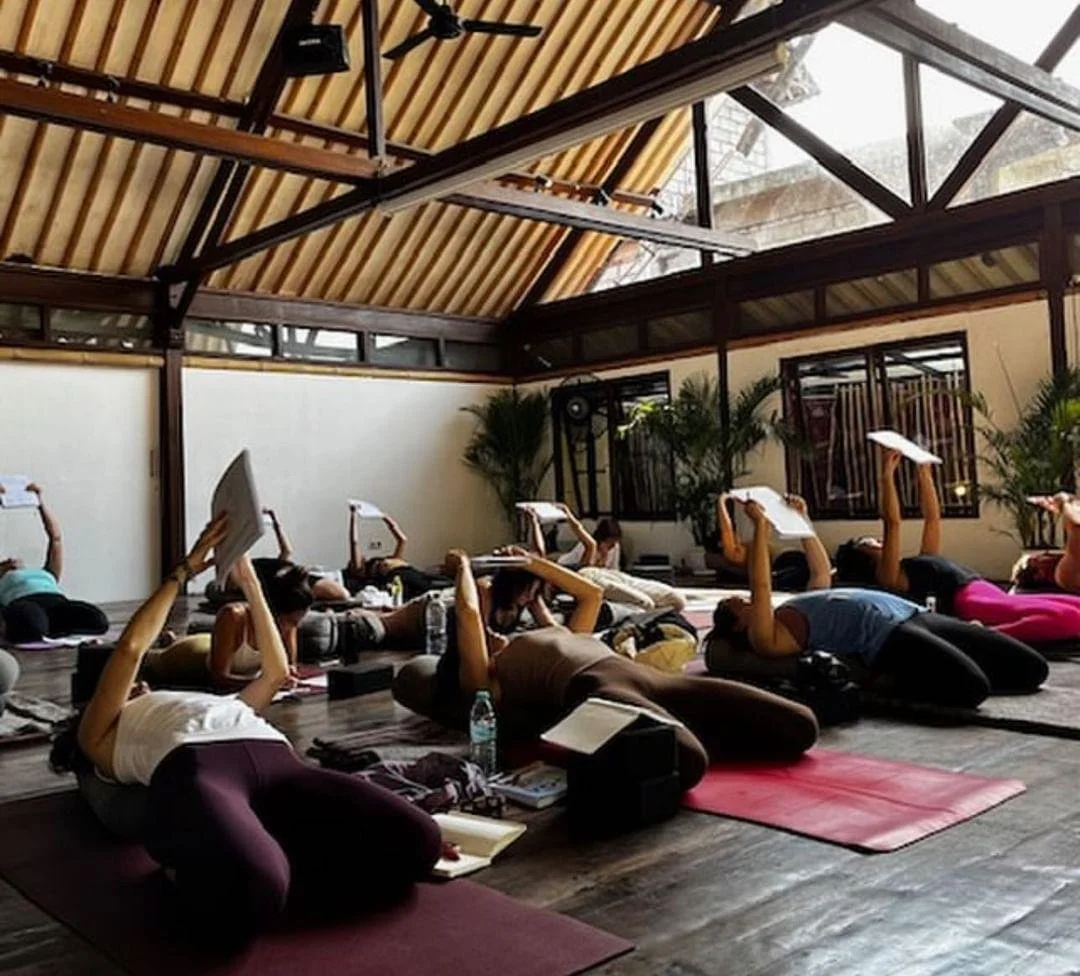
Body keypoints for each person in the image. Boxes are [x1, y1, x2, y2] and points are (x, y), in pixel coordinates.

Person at [50, 521, 441, 938]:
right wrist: (183, 571)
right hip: (200, 772)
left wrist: (250, 578)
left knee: (423, 841)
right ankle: (199, 862)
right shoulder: (100, 734)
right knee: (260, 893)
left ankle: (282, 847)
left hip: (279, 760)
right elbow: (130, 649)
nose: (140, 686)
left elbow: (275, 673)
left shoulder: (221, 704)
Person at [447, 548, 819, 789]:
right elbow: (467, 611)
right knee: (691, 762)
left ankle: (682, 726)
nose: (493, 634)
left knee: (802, 725)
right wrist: (463, 567)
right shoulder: (485, 680)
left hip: (644, 676)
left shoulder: (558, 633)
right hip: (596, 690)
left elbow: (589, 594)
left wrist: (531, 562)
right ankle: (672, 732)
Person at [711, 500, 1048, 708]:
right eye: (738, 603)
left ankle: (952, 659)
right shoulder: (766, 638)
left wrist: (802, 520)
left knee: (1034, 669)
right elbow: (760, 583)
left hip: (913, 614)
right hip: (886, 637)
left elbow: (818, 569)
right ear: (739, 624)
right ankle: (905, 679)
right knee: (973, 687)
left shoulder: (795, 604)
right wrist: (759, 529)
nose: (747, 600)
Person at [834, 447, 1080, 645]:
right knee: (1070, 619)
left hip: (986, 590)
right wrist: (886, 476)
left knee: (1075, 606)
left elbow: (932, 518)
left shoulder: (920, 561)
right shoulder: (890, 577)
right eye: (868, 542)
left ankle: (983, 633)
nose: (877, 540)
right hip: (972, 601)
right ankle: (985, 634)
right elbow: (892, 523)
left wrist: (925, 475)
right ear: (862, 557)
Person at [145, 561, 314, 690]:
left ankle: (172, 639)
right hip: (190, 657)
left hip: (212, 643)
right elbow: (219, 678)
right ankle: (168, 644)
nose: (292, 627)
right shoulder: (234, 616)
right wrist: (267, 683)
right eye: (290, 622)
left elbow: (288, 668)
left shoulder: (289, 625)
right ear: (273, 611)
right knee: (151, 660)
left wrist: (289, 673)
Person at [0, 483, 108, 645]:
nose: (15, 560)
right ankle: (42, 628)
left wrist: (40, 503)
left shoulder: (48, 573)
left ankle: (52, 629)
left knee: (98, 621)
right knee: (33, 627)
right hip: (25, 604)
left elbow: (55, 538)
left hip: (58, 604)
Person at [524, 506, 686, 612]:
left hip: (609, 575)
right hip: (591, 579)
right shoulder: (559, 581)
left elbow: (588, 542)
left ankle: (653, 613)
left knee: (677, 600)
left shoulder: (588, 555)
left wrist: (568, 516)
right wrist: (534, 523)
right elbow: (539, 552)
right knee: (646, 604)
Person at [344, 504, 451, 600]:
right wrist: (354, 516)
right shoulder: (359, 569)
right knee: (430, 590)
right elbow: (354, 542)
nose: (361, 556)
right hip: (400, 577)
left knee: (445, 584)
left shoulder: (388, 561)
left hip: (412, 571)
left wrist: (386, 518)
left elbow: (402, 540)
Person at [716, 492, 819, 591]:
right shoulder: (736, 554)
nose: (736, 535)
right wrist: (722, 501)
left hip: (793, 560)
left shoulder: (752, 546)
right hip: (786, 563)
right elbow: (726, 530)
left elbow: (764, 525)